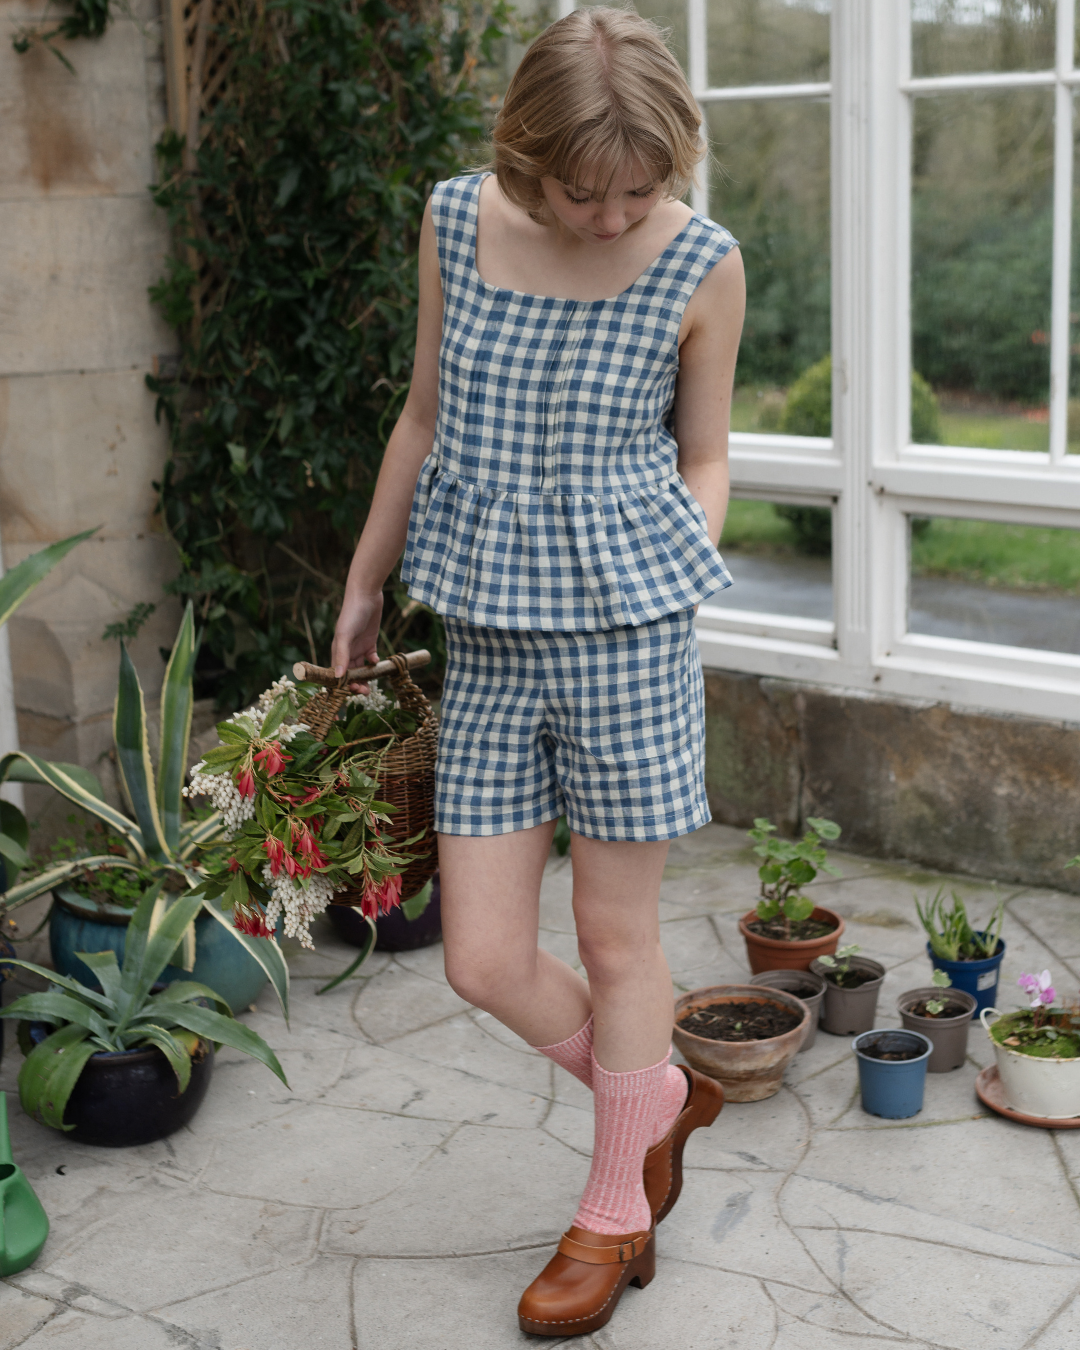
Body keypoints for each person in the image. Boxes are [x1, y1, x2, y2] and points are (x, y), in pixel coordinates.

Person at [331, 7, 745, 1336]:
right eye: (585, 189)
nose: (616, 214)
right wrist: (361, 577)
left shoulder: (703, 261)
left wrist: (674, 564)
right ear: (525, 157)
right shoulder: (457, 221)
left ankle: (613, 1207)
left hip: (629, 643)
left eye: (641, 187)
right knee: (482, 956)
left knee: (619, 941)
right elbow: (422, 409)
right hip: (490, 636)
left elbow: (706, 453)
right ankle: (658, 1100)